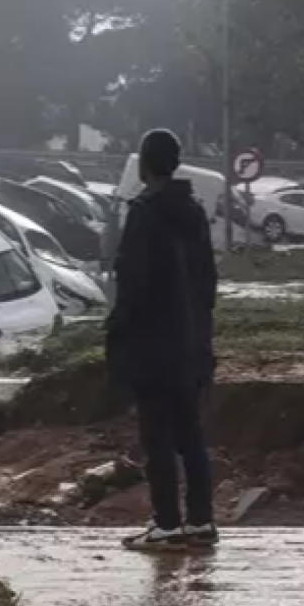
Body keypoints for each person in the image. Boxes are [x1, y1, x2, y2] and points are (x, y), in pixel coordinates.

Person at [106, 128, 217, 551]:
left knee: (157, 437)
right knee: (191, 435)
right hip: (192, 344)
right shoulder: (194, 212)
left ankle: (167, 523)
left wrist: (117, 332)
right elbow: (208, 282)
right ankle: (202, 521)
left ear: (144, 164)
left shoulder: (144, 212)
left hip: (153, 345)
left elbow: (134, 283)